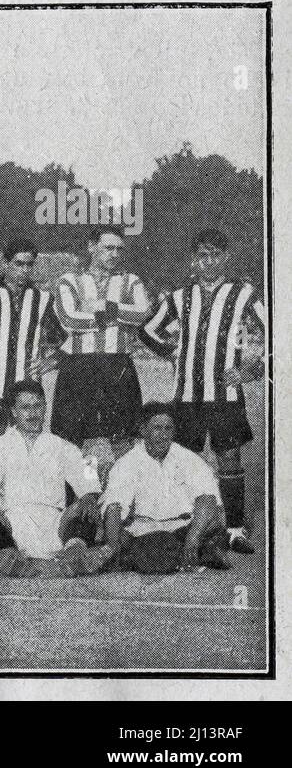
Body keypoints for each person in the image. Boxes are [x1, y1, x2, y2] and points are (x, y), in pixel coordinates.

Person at [139, 229, 265, 555]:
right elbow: (148, 328)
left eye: (215, 256)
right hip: (187, 396)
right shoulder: (180, 296)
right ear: (194, 258)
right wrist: (170, 352)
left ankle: (234, 530)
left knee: (229, 458)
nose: (208, 262)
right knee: (184, 460)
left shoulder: (243, 294)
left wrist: (252, 370)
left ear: (225, 257)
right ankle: (183, 525)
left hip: (225, 396)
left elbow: (279, 326)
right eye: (202, 256)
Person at [0, 380, 108, 578]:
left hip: (56, 523)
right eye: (25, 407)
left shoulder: (62, 445)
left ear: (45, 407)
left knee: (86, 508)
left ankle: (73, 554)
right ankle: (9, 555)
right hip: (13, 521)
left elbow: (87, 472)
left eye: (37, 406)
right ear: (13, 411)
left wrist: (88, 495)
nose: (32, 413)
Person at [51, 225, 151, 478]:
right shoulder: (69, 280)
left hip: (118, 365)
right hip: (79, 366)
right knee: (80, 440)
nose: (114, 254)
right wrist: (118, 315)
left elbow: (142, 313)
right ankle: (87, 496)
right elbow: (68, 319)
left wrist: (102, 307)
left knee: (122, 439)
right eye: (108, 248)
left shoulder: (132, 280)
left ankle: (120, 496)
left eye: (119, 249)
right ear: (91, 247)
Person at [101, 402, 231, 573]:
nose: (163, 436)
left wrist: (193, 537)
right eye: (157, 428)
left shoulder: (187, 458)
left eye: (168, 429)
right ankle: (199, 553)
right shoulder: (126, 463)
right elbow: (113, 507)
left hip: (184, 529)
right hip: (144, 532)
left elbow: (207, 499)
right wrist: (112, 546)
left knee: (213, 522)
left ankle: (153, 556)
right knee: (124, 538)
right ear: (143, 430)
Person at [0, 238, 61, 446]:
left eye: (29, 264)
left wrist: (52, 361)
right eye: (18, 264)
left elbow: (67, 336)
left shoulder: (44, 299)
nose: (24, 270)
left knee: (28, 450)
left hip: (29, 390)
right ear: (5, 263)